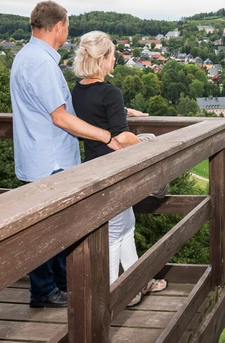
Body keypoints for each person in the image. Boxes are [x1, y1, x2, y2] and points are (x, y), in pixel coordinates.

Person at [10, 1, 131, 308]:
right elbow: (61, 117)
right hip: (50, 160)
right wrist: (107, 135)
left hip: (39, 156)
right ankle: (45, 292)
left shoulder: (27, 56)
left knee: (53, 229)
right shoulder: (41, 63)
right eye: (67, 26)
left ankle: (60, 286)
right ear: (59, 26)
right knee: (49, 232)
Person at [71, 30, 167, 306]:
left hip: (94, 165)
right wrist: (150, 150)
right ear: (104, 59)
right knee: (114, 234)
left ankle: (137, 282)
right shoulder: (111, 91)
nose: (114, 60)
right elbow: (123, 137)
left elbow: (94, 113)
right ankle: (112, 296)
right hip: (113, 170)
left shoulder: (79, 89)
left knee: (126, 224)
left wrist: (123, 111)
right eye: (112, 55)